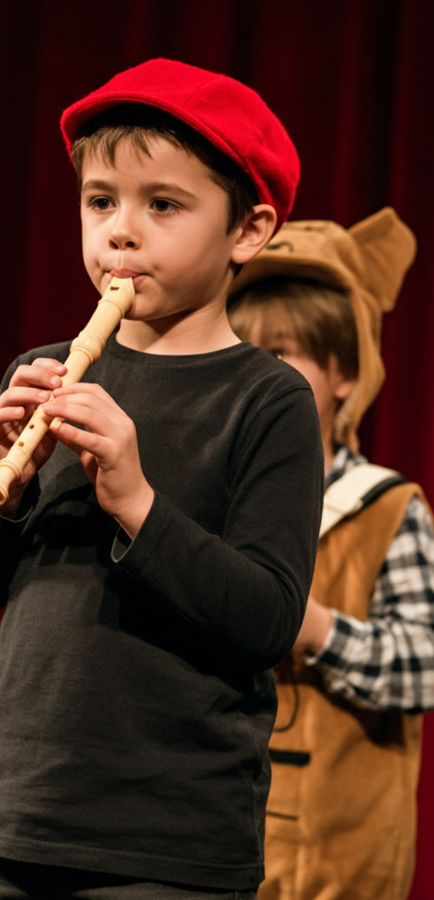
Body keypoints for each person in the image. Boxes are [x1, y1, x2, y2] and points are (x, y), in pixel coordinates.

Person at [0, 57, 323, 899]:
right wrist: (3, 486)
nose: (121, 232)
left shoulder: (270, 399)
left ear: (248, 230)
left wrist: (138, 503)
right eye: (100, 201)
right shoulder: (45, 369)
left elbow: (266, 621)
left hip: (169, 846)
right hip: (14, 822)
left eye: (163, 205)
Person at [227, 208, 434, 900]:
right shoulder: (212, 500)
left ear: (344, 373)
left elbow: (425, 667)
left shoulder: (387, 508)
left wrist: (316, 630)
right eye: (244, 352)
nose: (259, 374)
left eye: (282, 352)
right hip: (214, 833)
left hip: (337, 857)